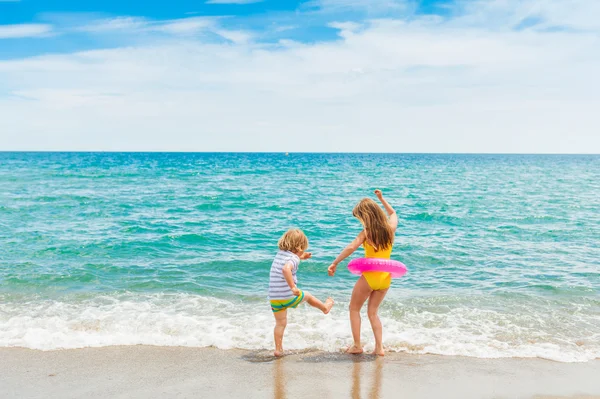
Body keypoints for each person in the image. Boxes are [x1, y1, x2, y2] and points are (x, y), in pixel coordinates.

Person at [328, 190, 398, 356]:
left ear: (366, 217)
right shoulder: (390, 229)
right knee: (373, 313)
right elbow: (393, 213)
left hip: (370, 276)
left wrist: (335, 262)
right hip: (385, 278)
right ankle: (379, 348)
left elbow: (351, 247)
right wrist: (381, 199)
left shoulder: (367, 233)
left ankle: (357, 345)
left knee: (354, 309)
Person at [269, 228, 334, 357]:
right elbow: (286, 269)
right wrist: (293, 287)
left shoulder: (280, 254)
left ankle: (278, 349)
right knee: (308, 296)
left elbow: (289, 260)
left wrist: (303, 256)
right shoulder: (294, 259)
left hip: (274, 298)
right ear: (300, 246)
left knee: (280, 323)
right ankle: (325, 308)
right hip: (288, 295)